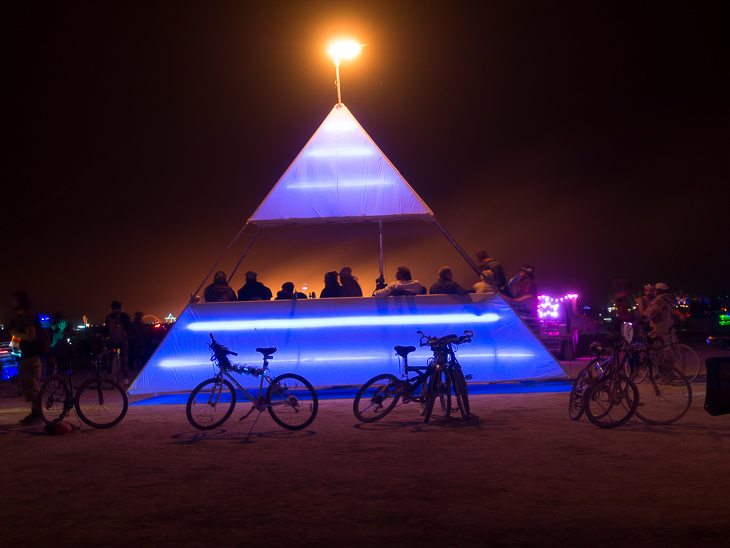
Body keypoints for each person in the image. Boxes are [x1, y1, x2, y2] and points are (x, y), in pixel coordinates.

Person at [8, 290, 44, 426]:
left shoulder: (27, 316)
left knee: (32, 387)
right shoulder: (22, 316)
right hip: (26, 357)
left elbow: (31, 336)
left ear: (21, 301)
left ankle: (37, 416)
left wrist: (14, 332)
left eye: (14, 299)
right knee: (29, 387)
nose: (11, 302)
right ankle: (35, 414)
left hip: (30, 357)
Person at [103, 300, 132, 388]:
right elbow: (129, 327)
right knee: (125, 360)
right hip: (123, 341)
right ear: (120, 307)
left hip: (113, 341)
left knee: (111, 358)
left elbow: (105, 331)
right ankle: (126, 381)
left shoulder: (109, 317)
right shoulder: (124, 316)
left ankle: (111, 378)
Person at [505, 265, 539, 333]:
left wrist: (498, 294)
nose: (519, 274)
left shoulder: (529, 297)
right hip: (524, 327)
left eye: (521, 272)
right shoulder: (524, 296)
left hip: (530, 329)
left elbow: (512, 301)